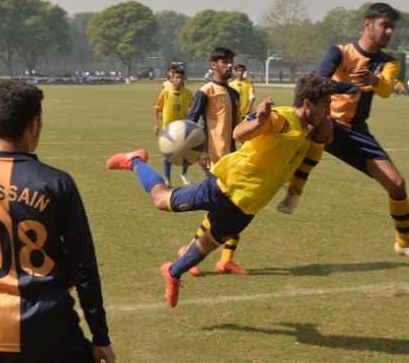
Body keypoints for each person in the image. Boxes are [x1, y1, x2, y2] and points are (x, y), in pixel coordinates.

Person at [107, 72, 334, 307]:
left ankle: (173, 273)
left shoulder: (307, 133)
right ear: (308, 104)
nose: (328, 111)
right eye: (326, 104)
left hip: (248, 208)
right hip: (224, 188)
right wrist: (259, 122)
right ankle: (135, 161)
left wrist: (293, 193)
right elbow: (239, 132)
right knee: (161, 200)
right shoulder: (283, 119)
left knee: (206, 246)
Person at [0, 80, 116, 363]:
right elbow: (84, 266)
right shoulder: (59, 183)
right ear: (35, 124)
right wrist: (100, 337)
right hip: (52, 333)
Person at [276, 3, 409, 257]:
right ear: (367, 24)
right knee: (323, 124)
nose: (390, 31)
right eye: (385, 25)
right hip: (326, 122)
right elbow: (318, 83)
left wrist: (373, 80)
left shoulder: (389, 62)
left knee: (397, 184)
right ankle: (294, 191)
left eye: (392, 27)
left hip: (356, 131)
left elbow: (385, 90)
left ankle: (403, 242)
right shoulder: (339, 52)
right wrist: (350, 87)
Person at [183, 47, 245, 276]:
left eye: (231, 61)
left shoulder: (234, 93)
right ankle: (189, 253)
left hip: (231, 159)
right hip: (211, 159)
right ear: (213, 65)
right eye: (224, 62)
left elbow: (236, 128)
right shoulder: (205, 91)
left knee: (240, 206)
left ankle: (226, 260)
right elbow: (191, 123)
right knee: (224, 208)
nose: (229, 65)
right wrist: (200, 150)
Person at [154, 67, 194, 186]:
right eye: (177, 77)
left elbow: (193, 108)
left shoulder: (187, 93)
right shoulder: (166, 92)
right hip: (168, 129)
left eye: (181, 78)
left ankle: (184, 174)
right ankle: (167, 179)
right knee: (168, 154)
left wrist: (191, 123)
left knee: (187, 152)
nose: (179, 80)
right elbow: (157, 107)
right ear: (172, 79)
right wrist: (156, 124)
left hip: (183, 128)